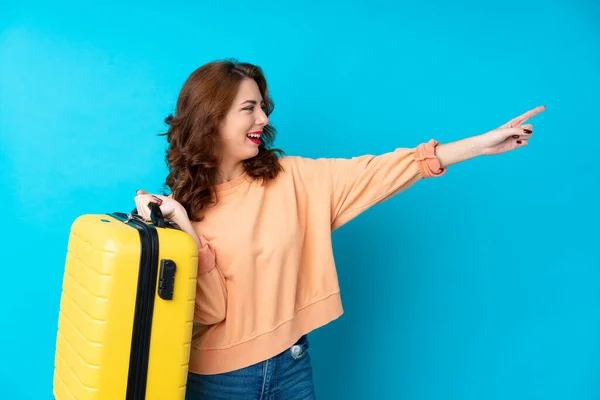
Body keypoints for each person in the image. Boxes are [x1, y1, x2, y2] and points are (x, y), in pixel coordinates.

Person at [134, 59, 545, 399]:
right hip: (222, 381)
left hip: (293, 366)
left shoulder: (291, 179)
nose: (263, 117)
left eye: (263, 106)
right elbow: (212, 311)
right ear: (212, 118)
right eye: (249, 108)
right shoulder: (181, 209)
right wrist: (184, 228)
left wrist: (481, 144)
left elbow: (384, 170)